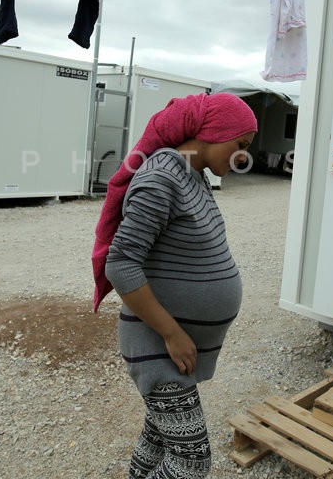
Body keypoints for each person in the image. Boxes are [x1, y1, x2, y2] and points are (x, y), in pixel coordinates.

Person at [91, 92, 258, 479]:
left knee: (158, 441)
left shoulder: (189, 173)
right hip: (158, 346)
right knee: (190, 462)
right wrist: (171, 333)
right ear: (211, 133)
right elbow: (122, 263)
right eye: (240, 145)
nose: (244, 157)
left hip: (173, 346)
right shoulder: (163, 176)